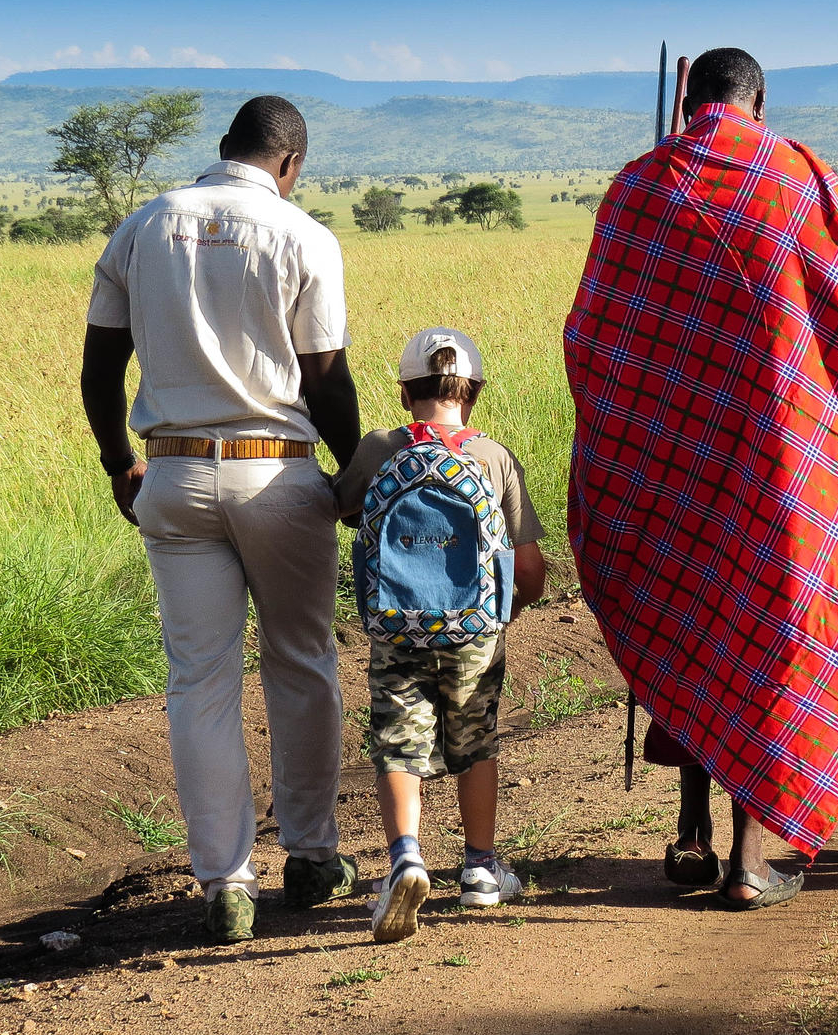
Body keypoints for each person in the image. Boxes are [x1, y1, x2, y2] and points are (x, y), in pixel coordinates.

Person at [564, 47, 838, 909]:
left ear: (686, 100)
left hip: (671, 462)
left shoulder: (637, 188)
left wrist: (647, 424)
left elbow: (593, 337)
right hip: (784, 460)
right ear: (761, 99)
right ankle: (752, 859)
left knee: (687, 616)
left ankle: (691, 832)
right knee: (775, 635)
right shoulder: (799, 182)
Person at [80, 96, 362, 943]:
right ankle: (311, 858)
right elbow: (326, 378)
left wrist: (117, 464)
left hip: (169, 475)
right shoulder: (304, 236)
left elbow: (99, 369)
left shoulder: (142, 225)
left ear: (223, 149)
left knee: (198, 682)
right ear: (290, 164)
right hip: (275, 475)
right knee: (302, 661)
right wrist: (351, 474)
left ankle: (225, 886)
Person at [333, 327, 549, 942]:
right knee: (475, 741)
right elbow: (529, 566)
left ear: (405, 392)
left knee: (398, 742)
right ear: (473, 392)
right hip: (474, 631)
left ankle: (405, 857)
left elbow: (338, 506)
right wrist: (502, 606)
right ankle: (479, 868)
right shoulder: (494, 457)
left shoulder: (378, 448)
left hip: (398, 626)